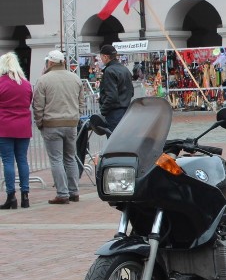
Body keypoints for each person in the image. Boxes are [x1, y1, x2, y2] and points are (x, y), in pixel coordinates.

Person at [32, 50, 85, 205]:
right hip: (71, 123)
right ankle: (74, 191)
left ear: (50, 62)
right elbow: (81, 102)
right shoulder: (75, 78)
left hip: (51, 124)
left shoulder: (43, 80)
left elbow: (38, 105)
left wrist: (39, 122)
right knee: (70, 157)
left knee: (56, 159)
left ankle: (62, 193)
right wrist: (76, 115)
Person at [0, 52, 33, 209]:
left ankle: (11, 196)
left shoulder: (1, 83)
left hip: (4, 125)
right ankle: (25, 196)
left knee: (7, 161)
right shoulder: (26, 84)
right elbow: (29, 101)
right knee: (22, 159)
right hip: (23, 126)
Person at [97, 44, 133, 131]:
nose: (101, 60)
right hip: (126, 111)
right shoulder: (125, 69)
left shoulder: (109, 71)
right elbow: (131, 92)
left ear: (106, 57)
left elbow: (112, 96)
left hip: (114, 114)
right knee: (123, 140)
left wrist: (103, 110)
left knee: (113, 142)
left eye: (101, 57)